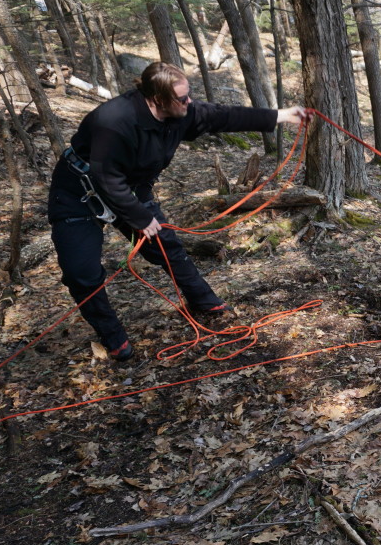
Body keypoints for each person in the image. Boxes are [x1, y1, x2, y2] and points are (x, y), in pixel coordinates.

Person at [48, 62, 308, 361]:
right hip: (78, 192)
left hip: (131, 188)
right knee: (81, 272)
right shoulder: (114, 120)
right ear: (157, 99)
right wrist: (141, 218)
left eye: (189, 96)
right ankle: (113, 336)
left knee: (166, 246)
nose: (189, 103)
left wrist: (280, 116)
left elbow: (221, 115)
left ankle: (203, 300)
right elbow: (107, 176)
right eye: (182, 98)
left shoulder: (181, 111)